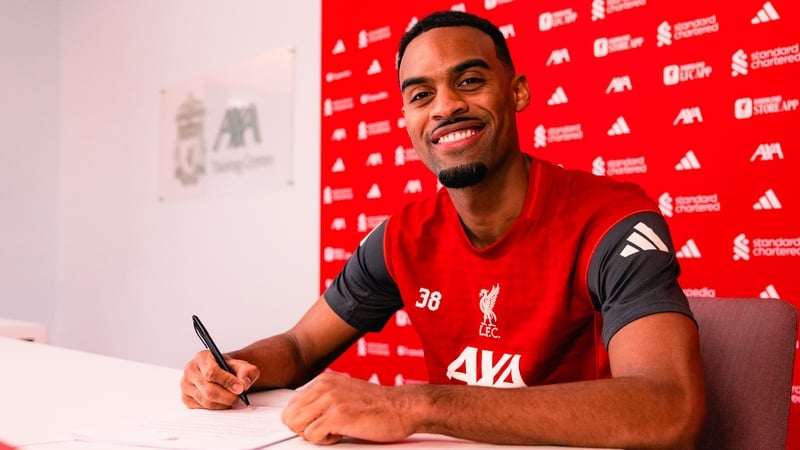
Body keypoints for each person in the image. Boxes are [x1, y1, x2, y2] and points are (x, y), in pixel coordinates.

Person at [181, 10, 706, 449]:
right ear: (407, 119)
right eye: (420, 95)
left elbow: (669, 407)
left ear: (517, 92)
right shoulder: (402, 236)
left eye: (469, 81)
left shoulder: (611, 221)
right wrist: (230, 368)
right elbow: (299, 347)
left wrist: (414, 403)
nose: (446, 106)